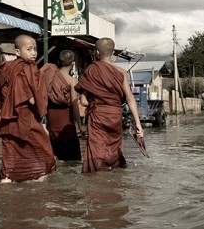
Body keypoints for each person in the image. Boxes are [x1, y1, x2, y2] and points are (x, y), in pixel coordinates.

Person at [75, 37, 143, 173]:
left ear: (97, 53)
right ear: (112, 53)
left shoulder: (91, 70)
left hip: (98, 116)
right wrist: (138, 123)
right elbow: (130, 98)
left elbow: (83, 101)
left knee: (97, 149)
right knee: (114, 148)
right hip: (115, 116)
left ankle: (98, 183)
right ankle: (114, 181)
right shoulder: (121, 72)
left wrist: (97, 103)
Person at [0, 34, 56, 183]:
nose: (34, 53)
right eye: (29, 49)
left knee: (11, 149)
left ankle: (7, 178)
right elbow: (32, 99)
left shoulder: (4, 68)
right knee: (43, 148)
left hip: (8, 117)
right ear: (17, 52)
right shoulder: (28, 68)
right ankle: (40, 174)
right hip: (26, 117)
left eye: (35, 49)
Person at [40, 50, 86, 161]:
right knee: (72, 158)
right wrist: (80, 125)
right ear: (73, 63)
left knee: (56, 154)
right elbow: (74, 104)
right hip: (66, 122)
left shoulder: (49, 77)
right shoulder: (72, 81)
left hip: (52, 121)